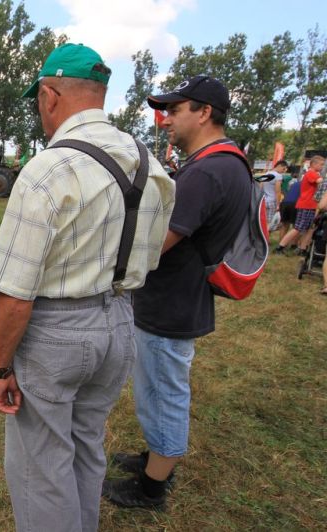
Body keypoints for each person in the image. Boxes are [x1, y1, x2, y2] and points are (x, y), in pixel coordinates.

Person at [0, 43, 175, 531]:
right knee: (87, 446)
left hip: (56, 333)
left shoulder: (48, 169)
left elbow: (16, 291)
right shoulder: (151, 166)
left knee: (41, 467)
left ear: (49, 96)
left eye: (38, 101)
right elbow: (151, 257)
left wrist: (1, 366)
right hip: (120, 320)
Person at [103, 75, 253, 509]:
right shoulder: (226, 162)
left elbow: (156, 243)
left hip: (170, 304)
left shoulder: (207, 170)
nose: (165, 120)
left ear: (204, 112)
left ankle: (152, 488)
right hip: (181, 297)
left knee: (163, 394)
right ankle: (155, 459)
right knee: (157, 389)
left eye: (174, 110)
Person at [274, 155, 324, 255]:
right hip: (306, 205)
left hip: (311, 205)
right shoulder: (311, 173)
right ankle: (280, 247)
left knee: (310, 228)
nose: (322, 167)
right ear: (314, 164)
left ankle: (302, 249)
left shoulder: (314, 173)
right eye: (321, 164)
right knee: (298, 228)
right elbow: (320, 181)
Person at [258, 159, 287, 229]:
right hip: (272, 201)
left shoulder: (266, 174)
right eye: (283, 169)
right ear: (279, 166)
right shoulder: (278, 176)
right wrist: (278, 204)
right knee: (269, 223)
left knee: (261, 221)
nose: (283, 171)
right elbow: (278, 191)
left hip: (263, 200)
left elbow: (259, 187)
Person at [278, 177, 301, 245]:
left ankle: (281, 244)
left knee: (284, 224)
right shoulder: (307, 184)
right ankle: (294, 244)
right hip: (295, 203)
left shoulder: (295, 183)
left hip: (285, 203)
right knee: (296, 226)